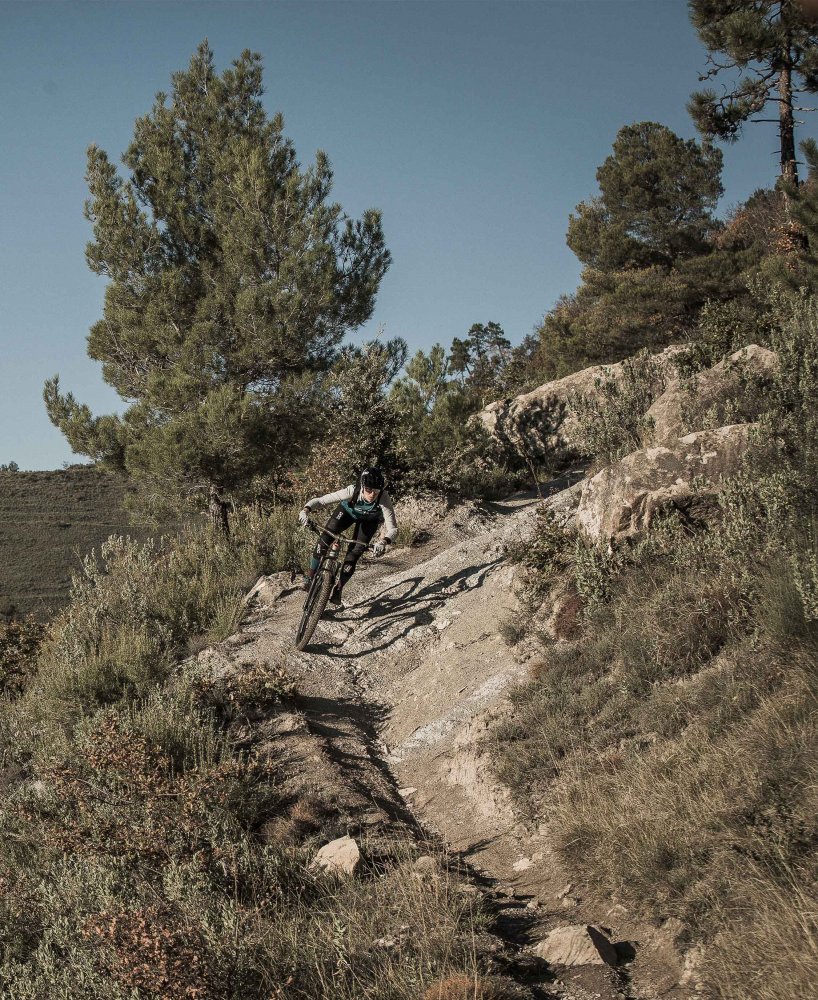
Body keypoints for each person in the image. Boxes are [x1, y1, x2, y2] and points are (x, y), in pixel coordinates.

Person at [298, 467, 398, 606]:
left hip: (369, 521)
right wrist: (305, 510)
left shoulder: (383, 497)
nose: (372, 494)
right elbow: (321, 501)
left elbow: (393, 529)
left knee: (354, 554)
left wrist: (383, 542)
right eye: (368, 490)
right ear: (362, 486)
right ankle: (310, 577)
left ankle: (338, 588)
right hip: (346, 513)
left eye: (376, 491)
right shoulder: (352, 491)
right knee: (325, 539)